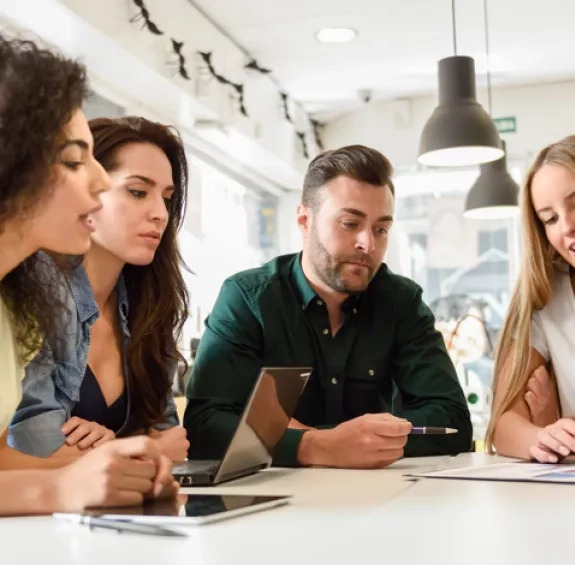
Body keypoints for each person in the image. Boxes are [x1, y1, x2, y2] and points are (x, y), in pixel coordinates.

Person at [184, 145, 472, 468]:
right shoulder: (248, 299)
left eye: (381, 229)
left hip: (379, 505)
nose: (368, 244)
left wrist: (303, 436)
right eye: (350, 223)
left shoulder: (401, 302)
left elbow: (454, 424)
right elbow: (204, 427)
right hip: (273, 507)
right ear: (305, 221)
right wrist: (316, 446)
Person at [0, 34, 175, 514]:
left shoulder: (13, 310)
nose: (98, 183)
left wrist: (116, 460)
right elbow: (26, 455)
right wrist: (61, 485)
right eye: (75, 161)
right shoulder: (33, 308)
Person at [9, 117, 191, 462]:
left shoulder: (149, 301)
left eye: (167, 197)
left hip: (119, 509)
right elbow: (32, 445)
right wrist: (134, 451)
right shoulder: (39, 291)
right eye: (137, 192)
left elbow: (171, 438)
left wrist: (116, 451)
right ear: (85, 191)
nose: (160, 214)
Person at [487, 135, 575, 463]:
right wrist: (543, 436)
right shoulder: (550, 298)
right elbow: (504, 423)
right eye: (550, 218)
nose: (566, 226)